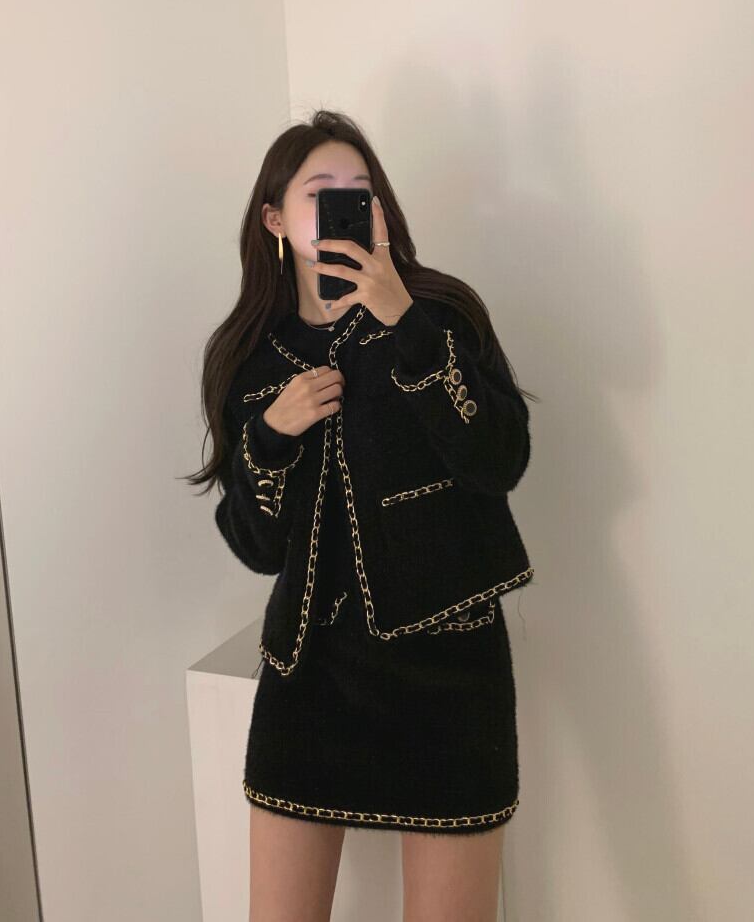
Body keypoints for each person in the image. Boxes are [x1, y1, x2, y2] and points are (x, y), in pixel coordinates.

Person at [187, 110, 539, 922]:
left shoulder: (440, 314)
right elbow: (257, 546)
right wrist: (270, 437)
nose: (348, 204)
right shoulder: (249, 357)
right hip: (309, 676)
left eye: (362, 190)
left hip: (450, 673)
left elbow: (500, 460)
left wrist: (405, 323)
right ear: (275, 219)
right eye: (322, 192)